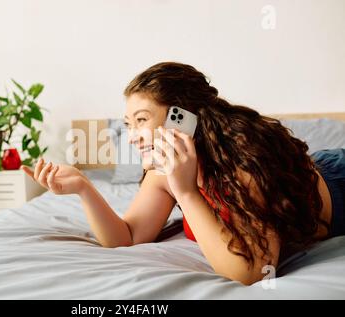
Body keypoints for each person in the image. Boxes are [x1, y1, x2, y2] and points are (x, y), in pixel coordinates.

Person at [22, 62, 345, 285]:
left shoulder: (245, 163)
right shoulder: (163, 173)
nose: (132, 136)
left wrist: (187, 192)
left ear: (182, 119)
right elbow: (127, 237)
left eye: (142, 119)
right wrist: (83, 187)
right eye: (128, 124)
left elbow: (254, 272)